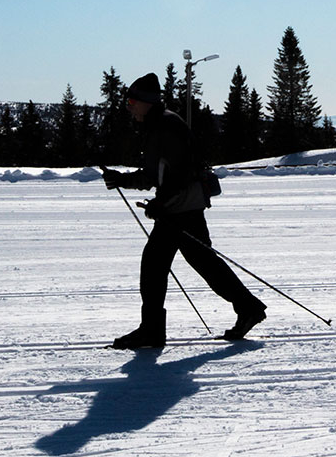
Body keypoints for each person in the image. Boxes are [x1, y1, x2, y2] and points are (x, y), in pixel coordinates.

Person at [102, 72, 268, 349]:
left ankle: (152, 331)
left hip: (182, 208)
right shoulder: (159, 125)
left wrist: (160, 204)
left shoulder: (165, 127)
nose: (129, 106)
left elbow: (178, 175)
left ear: (146, 102)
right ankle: (247, 307)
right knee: (200, 263)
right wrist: (122, 180)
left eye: (132, 101)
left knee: (156, 266)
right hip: (181, 206)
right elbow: (158, 175)